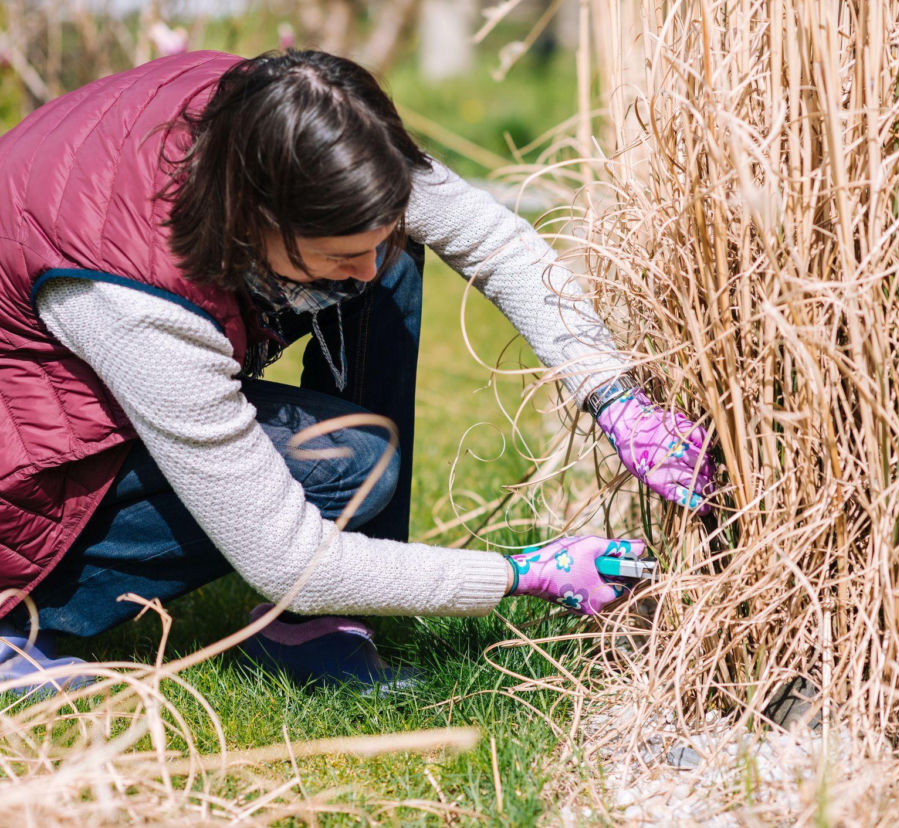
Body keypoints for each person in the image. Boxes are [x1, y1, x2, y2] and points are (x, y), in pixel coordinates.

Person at [0, 49, 714, 691]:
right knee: (350, 462)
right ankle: (20, 625)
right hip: (24, 466)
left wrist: (611, 393)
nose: (365, 273)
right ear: (255, 223)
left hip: (96, 361)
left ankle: (324, 625)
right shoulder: (136, 305)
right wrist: (521, 575)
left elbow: (500, 245)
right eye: (341, 256)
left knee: (394, 262)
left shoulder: (306, 129)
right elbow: (289, 560)